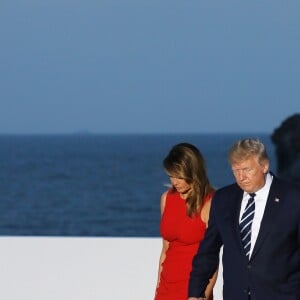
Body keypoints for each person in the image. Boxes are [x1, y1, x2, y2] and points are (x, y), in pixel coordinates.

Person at [188, 138, 300, 300]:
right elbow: (208, 251)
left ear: (264, 166)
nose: (241, 177)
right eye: (236, 170)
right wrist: (195, 293)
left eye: (247, 169)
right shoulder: (223, 199)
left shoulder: (293, 198)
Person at [154, 143, 217, 300]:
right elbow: (165, 249)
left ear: (193, 172)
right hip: (166, 288)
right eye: (171, 175)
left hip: (194, 290)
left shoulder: (211, 203)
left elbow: (213, 258)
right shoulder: (166, 199)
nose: (175, 181)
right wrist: (157, 289)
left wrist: (203, 295)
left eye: (179, 176)